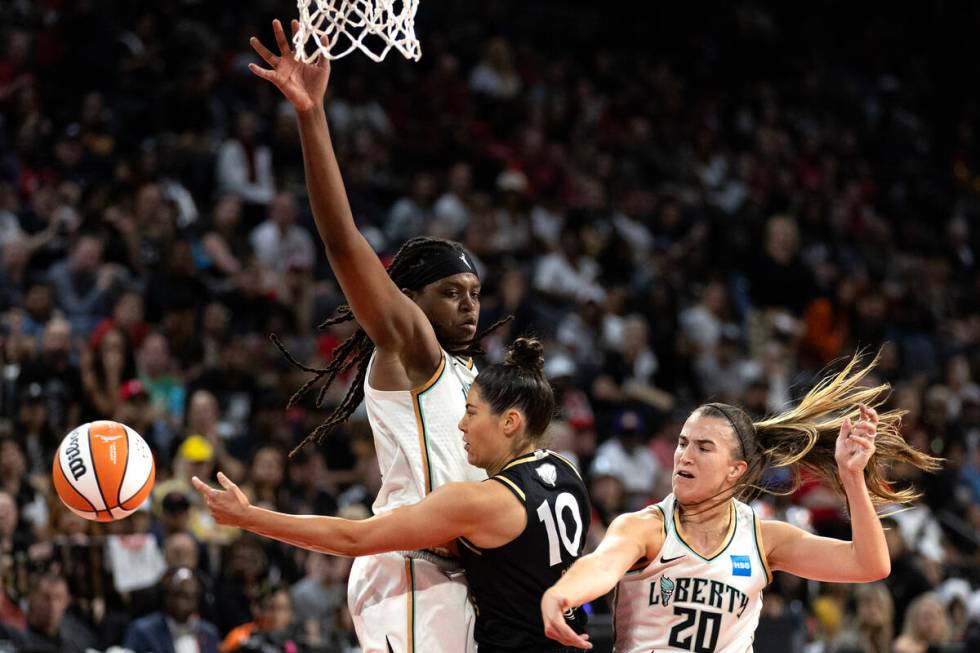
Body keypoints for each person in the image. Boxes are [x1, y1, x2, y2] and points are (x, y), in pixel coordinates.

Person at [246, 18, 508, 653]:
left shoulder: (473, 380)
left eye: (475, 295)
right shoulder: (413, 347)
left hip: (451, 575)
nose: (469, 307)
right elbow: (342, 242)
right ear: (410, 299)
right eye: (452, 293)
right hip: (410, 569)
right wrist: (312, 117)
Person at [194, 338, 591, 653]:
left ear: (509, 421)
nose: (460, 424)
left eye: (471, 412)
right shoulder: (567, 471)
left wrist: (248, 517)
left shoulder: (480, 502)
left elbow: (356, 539)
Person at [540, 353, 942, 652]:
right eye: (682, 443)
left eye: (703, 447)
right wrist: (563, 593)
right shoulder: (645, 527)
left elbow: (870, 564)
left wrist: (852, 478)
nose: (684, 456)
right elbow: (601, 564)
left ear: (735, 470)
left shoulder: (763, 538)